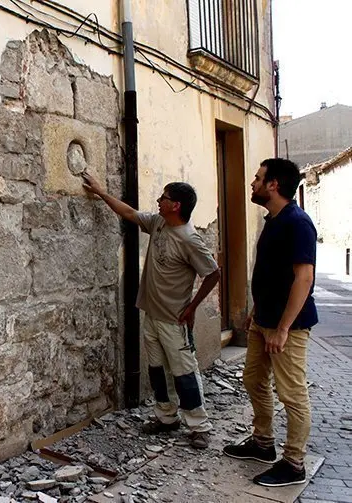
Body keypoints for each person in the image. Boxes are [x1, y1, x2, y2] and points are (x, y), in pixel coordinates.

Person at [82, 173, 220, 449]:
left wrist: (192, 307)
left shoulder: (190, 240)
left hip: (174, 319)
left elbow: (214, 273)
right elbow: (129, 213)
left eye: (164, 198)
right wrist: (100, 192)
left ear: (176, 205)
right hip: (152, 315)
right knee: (157, 370)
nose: (159, 201)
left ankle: (199, 426)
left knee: (184, 373)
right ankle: (166, 417)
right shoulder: (158, 223)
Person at [223, 158, 317, 487]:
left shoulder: (297, 222)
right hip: (262, 320)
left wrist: (282, 328)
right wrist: (256, 311)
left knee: (292, 394)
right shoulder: (274, 220)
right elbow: (271, 275)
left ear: (273, 185)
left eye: (258, 178)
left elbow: (303, 279)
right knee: (253, 380)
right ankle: (262, 444)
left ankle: (294, 463)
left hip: (286, 327)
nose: (253, 183)